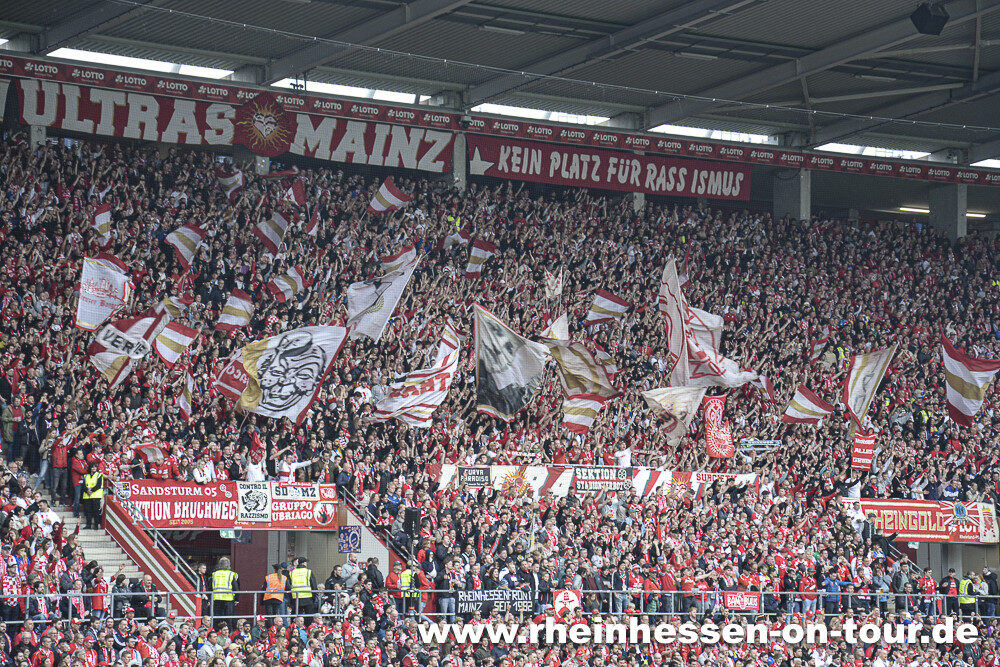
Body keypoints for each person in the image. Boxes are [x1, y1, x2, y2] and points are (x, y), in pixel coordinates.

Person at [210, 557, 238, 629]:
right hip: (228, 599)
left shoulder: (214, 574)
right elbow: (235, 588)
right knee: (228, 618)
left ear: (220, 565)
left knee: (217, 618)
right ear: (229, 565)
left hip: (217, 599)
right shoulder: (231, 574)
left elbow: (210, 586)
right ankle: (228, 632)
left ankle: (217, 631)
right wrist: (236, 599)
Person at [81, 462, 104, 530]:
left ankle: (96, 525)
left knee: (96, 511)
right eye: (92, 467)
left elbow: (98, 485)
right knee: (88, 511)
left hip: (96, 495)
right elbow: (83, 485)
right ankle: (88, 525)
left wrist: (91, 491)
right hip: (87, 496)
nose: (94, 468)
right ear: (90, 468)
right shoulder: (86, 476)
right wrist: (87, 491)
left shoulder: (99, 475)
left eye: (95, 467)